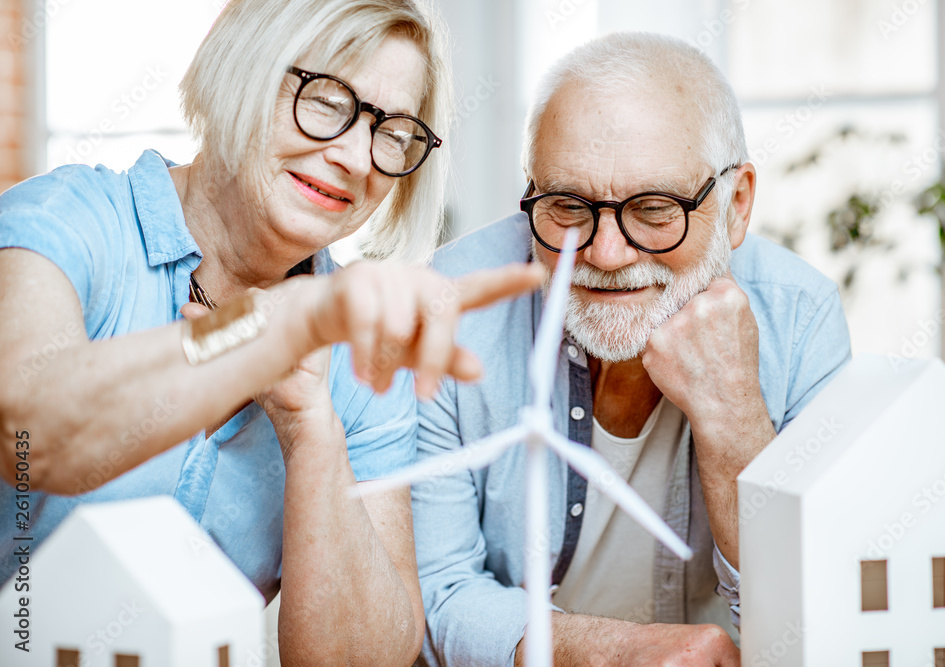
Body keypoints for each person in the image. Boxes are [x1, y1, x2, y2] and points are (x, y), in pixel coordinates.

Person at [0, 0, 542, 664]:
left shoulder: (360, 351)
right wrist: (276, 325)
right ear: (243, 69)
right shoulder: (65, 223)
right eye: (324, 98)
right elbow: (30, 436)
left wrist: (311, 425)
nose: (353, 155)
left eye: (393, 130)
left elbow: (362, 660)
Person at [412, 32, 852, 666]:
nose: (606, 255)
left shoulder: (801, 316)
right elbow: (436, 593)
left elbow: (816, 618)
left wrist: (732, 412)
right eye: (567, 206)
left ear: (736, 205)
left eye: (653, 208)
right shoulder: (450, 306)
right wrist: (619, 652)